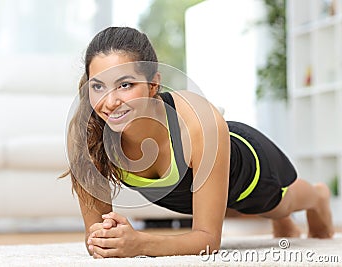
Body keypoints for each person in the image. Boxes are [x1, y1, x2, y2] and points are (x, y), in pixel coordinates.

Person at [62, 26, 334, 258]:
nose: (109, 102)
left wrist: (140, 243)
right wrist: (107, 237)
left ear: (153, 85)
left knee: (278, 205)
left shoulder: (197, 124)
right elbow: (95, 237)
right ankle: (283, 220)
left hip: (247, 168)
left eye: (125, 85)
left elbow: (208, 240)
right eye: (98, 86)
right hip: (187, 194)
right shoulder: (87, 132)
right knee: (271, 215)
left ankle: (317, 197)